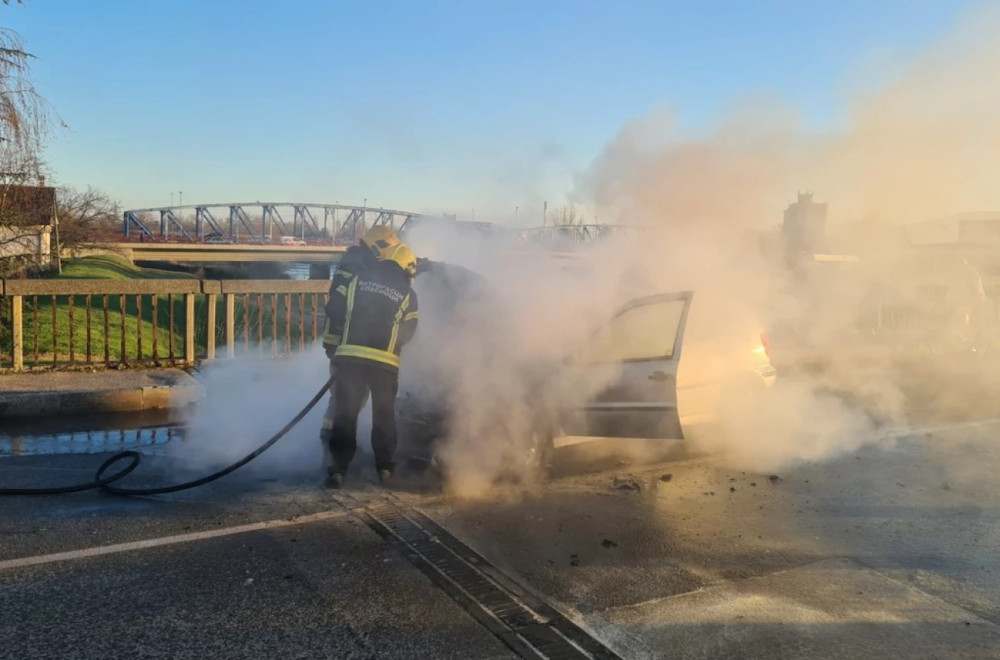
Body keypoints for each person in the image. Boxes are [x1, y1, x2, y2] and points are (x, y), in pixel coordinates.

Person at [325, 243, 419, 488]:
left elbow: (334, 309)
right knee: (384, 416)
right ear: (407, 269)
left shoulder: (357, 279)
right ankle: (385, 468)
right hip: (384, 364)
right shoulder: (408, 294)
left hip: (350, 359)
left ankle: (339, 469)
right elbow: (408, 333)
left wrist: (345, 335)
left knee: (346, 413)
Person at [319, 226, 401, 466]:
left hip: (348, 345)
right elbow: (337, 308)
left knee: (348, 399)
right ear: (378, 247)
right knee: (344, 401)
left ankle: (335, 453)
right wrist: (335, 346)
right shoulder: (353, 267)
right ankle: (329, 452)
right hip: (344, 346)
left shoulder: (362, 262)